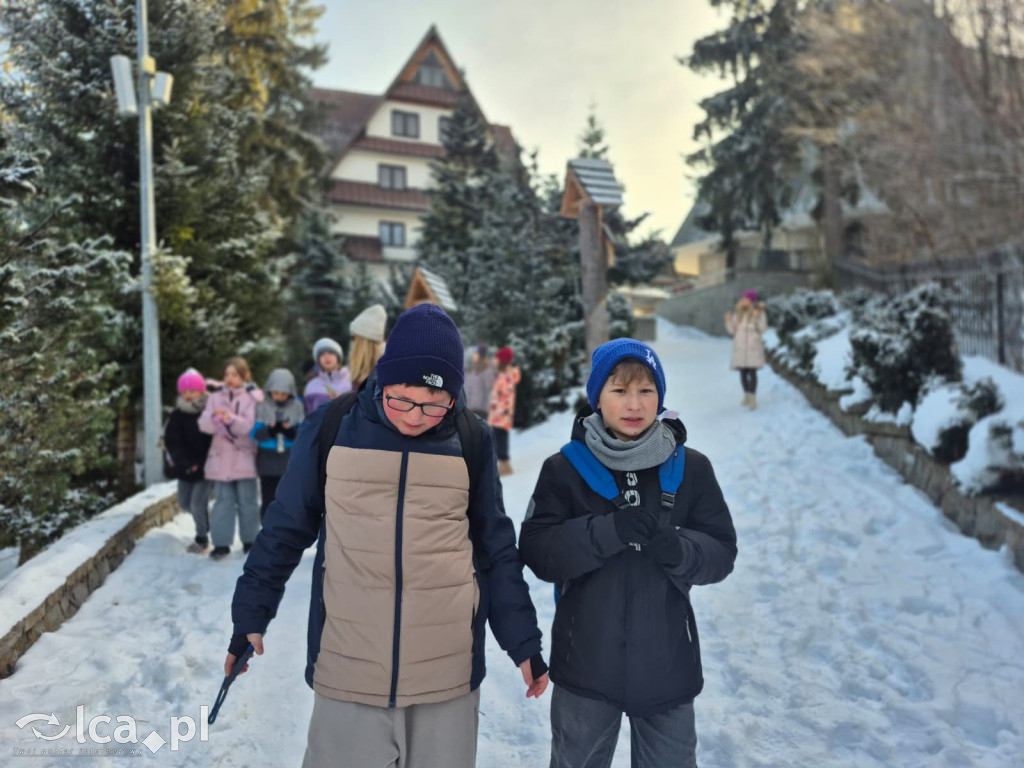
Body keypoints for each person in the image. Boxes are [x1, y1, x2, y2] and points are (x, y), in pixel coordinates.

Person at [225, 304, 549, 768]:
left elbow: (495, 550)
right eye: (403, 399)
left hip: (446, 676)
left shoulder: (471, 440)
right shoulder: (332, 427)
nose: (417, 416)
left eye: (435, 404)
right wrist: (251, 613)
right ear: (383, 379)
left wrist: (523, 644)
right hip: (347, 668)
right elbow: (284, 527)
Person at [519, 338, 738, 768]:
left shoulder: (692, 468)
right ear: (597, 397)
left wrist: (679, 548)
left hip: (668, 669)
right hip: (584, 669)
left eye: (646, 391)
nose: (634, 404)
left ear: (661, 397)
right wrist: (607, 532)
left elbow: (722, 552)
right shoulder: (563, 470)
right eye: (619, 391)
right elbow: (538, 551)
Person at [199, 357, 262, 560]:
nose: (229, 379)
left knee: (248, 501)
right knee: (222, 503)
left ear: (244, 376)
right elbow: (203, 425)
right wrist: (214, 419)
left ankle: (250, 540)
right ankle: (221, 544)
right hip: (220, 459)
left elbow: (250, 426)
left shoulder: (252, 398)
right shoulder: (215, 397)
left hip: (244, 457)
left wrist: (231, 419)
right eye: (226, 374)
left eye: (234, 375)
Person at [164, 368, 213, 554]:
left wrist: (201, 463)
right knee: (184, 504)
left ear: (201, 391)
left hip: (205, 468)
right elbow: (172, 441)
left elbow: (214, 441)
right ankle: (205, 520)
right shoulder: (177, 416)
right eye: (184, 392)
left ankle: (202, 538)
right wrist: (183, 462)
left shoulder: (209, 411)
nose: (188, 395)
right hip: (184, 467)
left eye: (192, 391)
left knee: (197, 503)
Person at [251, 368, 305, 523]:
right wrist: (271, 430)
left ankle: (286, 527)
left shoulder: (297, 407)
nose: (280, 397)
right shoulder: (262, 407)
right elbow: (255, 434)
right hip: (267, 459)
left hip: (288, 458)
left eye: (284, 394)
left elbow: (303, 432)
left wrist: (290, 432)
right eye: (276, 393)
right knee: (268, 497)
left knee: (287, 497)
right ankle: (267, 527)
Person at [725, 289, 768, 409]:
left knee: (752, 372)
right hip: (740, 347)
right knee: (743, 373)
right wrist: (728, 321)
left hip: (753, 347)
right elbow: (732, 330)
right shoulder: (737, 313)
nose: (744, 301)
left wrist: (757, 318)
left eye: (747, 299)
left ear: (752, 301)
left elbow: (762, 329)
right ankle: (746, 395)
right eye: (743, 299)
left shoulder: (759, 312)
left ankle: (753, 398)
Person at [488, 346, 519, 476]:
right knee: (499, 437)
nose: (495, 361)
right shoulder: (505, 374)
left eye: (497, 359)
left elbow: (502, 395)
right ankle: (503, 463)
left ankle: (505, 464)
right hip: (500, 412)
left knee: (500, 437)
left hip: (501, 413)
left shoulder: (505, 376)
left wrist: (497, 410)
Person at [303, 337, 351, 415]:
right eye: (322, 354)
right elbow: (309, 418)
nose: (326, 357)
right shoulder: (311, 386)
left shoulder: (352, 380)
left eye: (330, 353)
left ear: (338, 357)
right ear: (318, 361)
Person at [347, 304, 387, 391]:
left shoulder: (385, 367)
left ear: (362, 343)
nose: (352, 342)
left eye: (354, 338)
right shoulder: (359, 368)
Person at [463, 345, 495, 419]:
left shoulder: (486, 370)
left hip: (480, 409)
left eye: (476, 353)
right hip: (468, 407)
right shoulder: (471, 370)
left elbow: (489, 388)